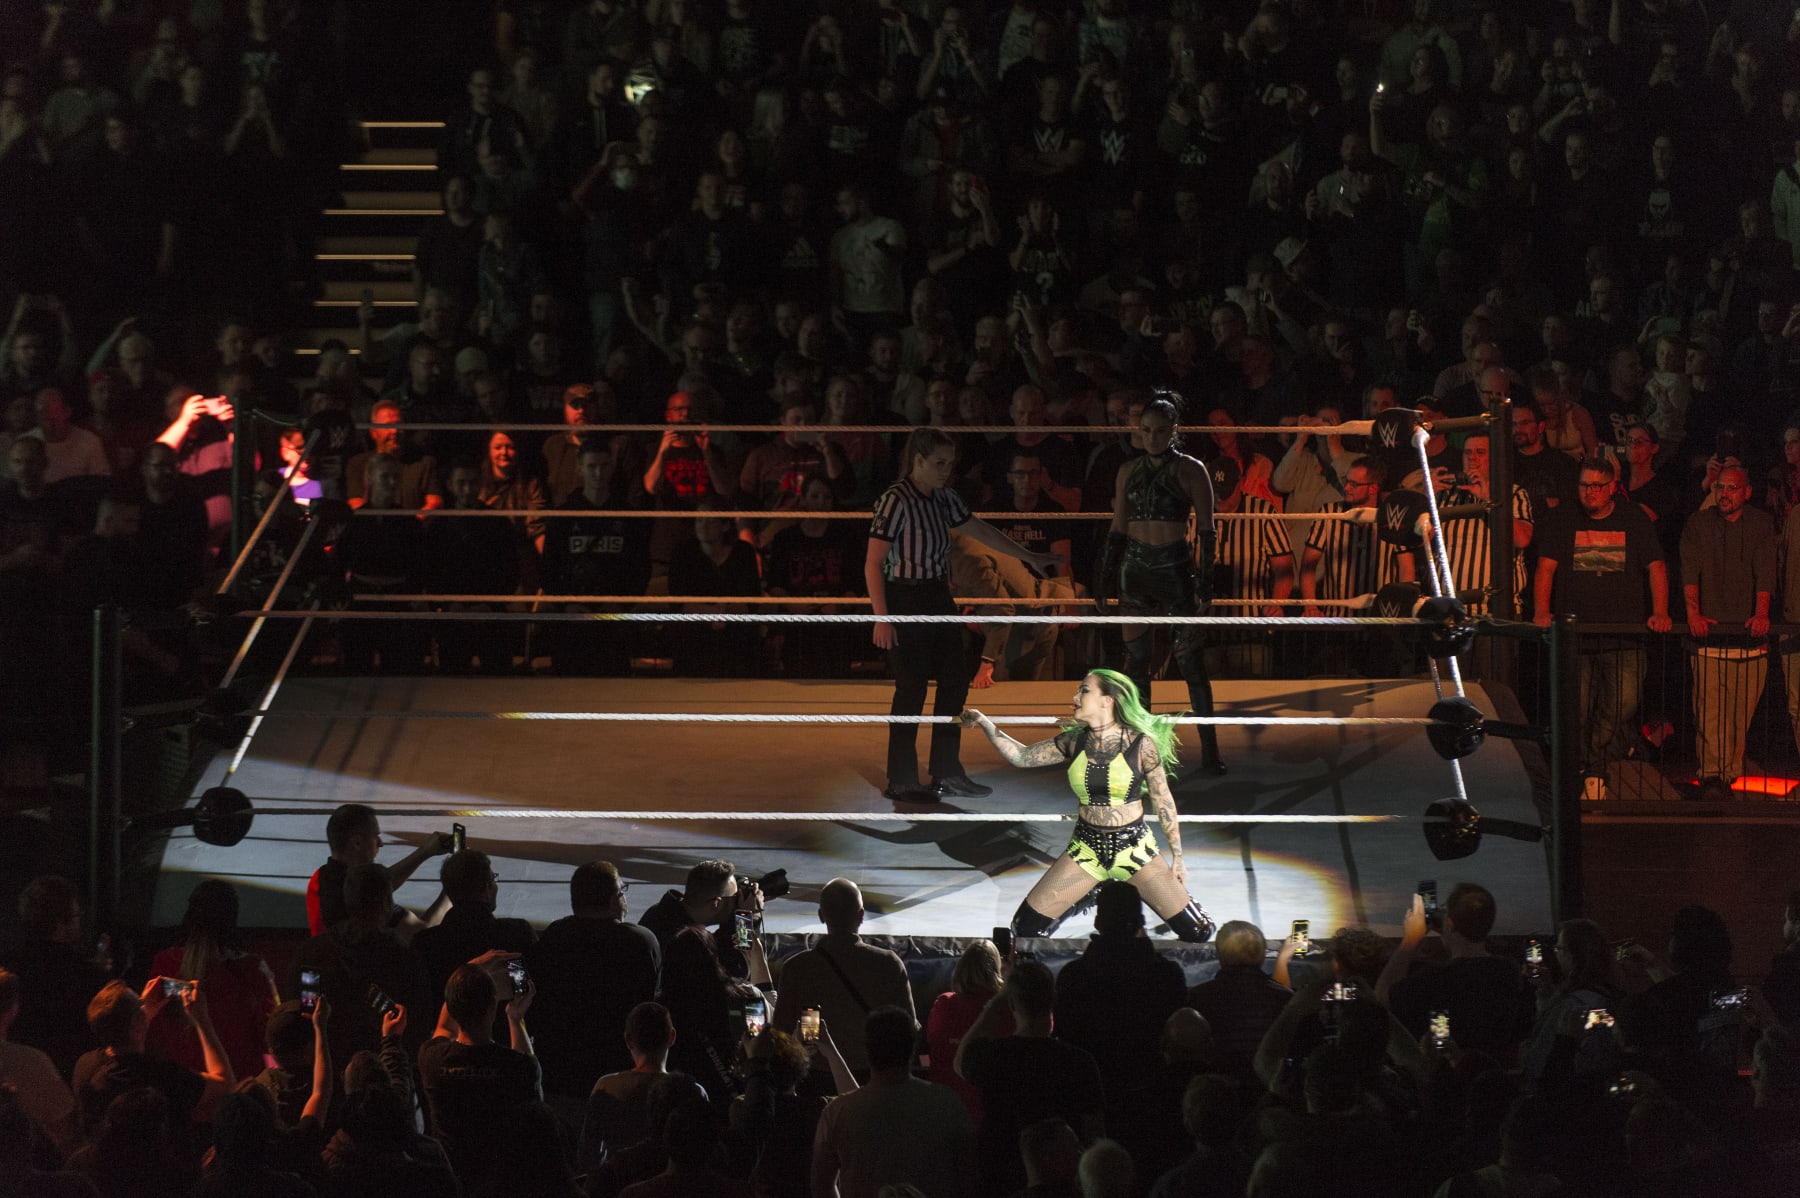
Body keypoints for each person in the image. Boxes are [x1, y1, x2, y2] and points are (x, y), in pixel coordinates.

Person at [866, 426, 1062, 801]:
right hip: (905, 596)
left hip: (937, 593)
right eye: (939, 463)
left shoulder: (944, 498)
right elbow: (873, 562)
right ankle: (902, 778)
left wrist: (1030, 556)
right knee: (911, 688)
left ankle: (946, 770)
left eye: (950, 464)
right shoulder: (895, 500)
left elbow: (981, 531)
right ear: (918, 461)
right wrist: (882, 615)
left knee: (955, 681)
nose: (945, 471)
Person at [964, 670, 1215, 943]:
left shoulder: (1141, 745)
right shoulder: (1074, 741)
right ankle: (1089, 892)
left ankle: (1113, 888)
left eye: (1084, 690)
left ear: (1108, 700)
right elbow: (1023, 757)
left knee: (1199, 931)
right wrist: (984, 722)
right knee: (1025, 929)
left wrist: (1178, 858)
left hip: (1133, 849)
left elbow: (1163, 800)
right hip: (1087, 848)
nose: (1075, 697)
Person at [1093, 396, 1227, 775]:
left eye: (1160, 431)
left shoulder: (1191, 470)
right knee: (1137, 664)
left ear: (1175, 431)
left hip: (1174, 568)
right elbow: (1118, 526)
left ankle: (1211, 752)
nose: (1152, 438)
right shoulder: (1127, 471)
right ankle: (1143, 755)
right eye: (1146, 430)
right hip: (1134, 569)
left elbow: (1207, 529)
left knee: (1190, 661)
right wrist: (1104, 575)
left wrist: (1206, 582)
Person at [1532, 456, 1672, 801]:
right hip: (1576, 636)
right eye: (1584, 485)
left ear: (1612, 488)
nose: (1590, 492)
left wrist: (1661, 611)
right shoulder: (1564, 517)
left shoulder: (1634, 517)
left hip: (1625, 635)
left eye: (1597, 486)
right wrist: (1541, 610)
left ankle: (1590, 764)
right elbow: (1545, 569)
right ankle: (1588, 771)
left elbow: (1656, 566)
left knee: (1622, 706)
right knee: (1576, 709)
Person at [954, 961, 1104, 1195]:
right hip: (1062, 1183)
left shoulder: (993, 1056)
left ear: (1012, 1003)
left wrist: (994, 1005)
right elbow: (1095, 1133)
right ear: (1052, 1000)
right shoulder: (1080, 1062)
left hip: (1001, 1178)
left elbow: (960, 1061)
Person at [527, 861, 660, 1116]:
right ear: (613, 899)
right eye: (622, 891)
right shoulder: (640, 942)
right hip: (619, 1072)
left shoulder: (555, 936)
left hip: (560, 1073)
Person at [1680, 464, 1777, 799]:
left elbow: (1765, 572)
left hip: (1748, 640)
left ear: (1747, 492)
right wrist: (1693, 612)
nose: (1724, 494)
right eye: (1720, 487)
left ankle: (1727, 775)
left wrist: (1761, 614)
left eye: (1732, 488)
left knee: (1738, 718)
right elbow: (1690, 570)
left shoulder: (1760, 523)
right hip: (1709, 637)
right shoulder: (1699, 523)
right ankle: (1711, 777)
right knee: (1709, 713)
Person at [809, 1006, 974, 1198]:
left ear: (867, 1050)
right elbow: (969, 1177)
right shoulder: (947, 1102)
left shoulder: (837, 1112)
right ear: (912, 1048)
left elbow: (821, 1186)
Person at [769, 878, 914, 1083]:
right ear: (861, 915)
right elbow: (909, 1027)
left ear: (821, 916)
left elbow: (781, 1033)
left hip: (815, 1078)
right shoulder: (888, 964)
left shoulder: (797, 968)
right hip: (873, 1079)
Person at [417, 961, 542, 1192]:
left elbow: (444, 1026)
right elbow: (533, 1080)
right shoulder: (516, 1067)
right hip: (500, 1184)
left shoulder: (431, 1060)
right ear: (493, 1008)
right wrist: (516, 1018)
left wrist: (470, 967)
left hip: (449, 1184)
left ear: (453, 1009)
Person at [144, 879, 278, 1085]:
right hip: (239, 1093)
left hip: (179, 1091)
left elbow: (150, 1031)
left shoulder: (165, 964)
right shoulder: (252, 970)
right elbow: (271, 1038)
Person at [305, 803, 450, 939]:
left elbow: (382, 883)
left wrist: (424, 853)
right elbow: (424, 935)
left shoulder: (324, 878)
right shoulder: (366, 902)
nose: (381, 844)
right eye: (375, 837)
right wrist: (453, 887)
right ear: (356, 843)